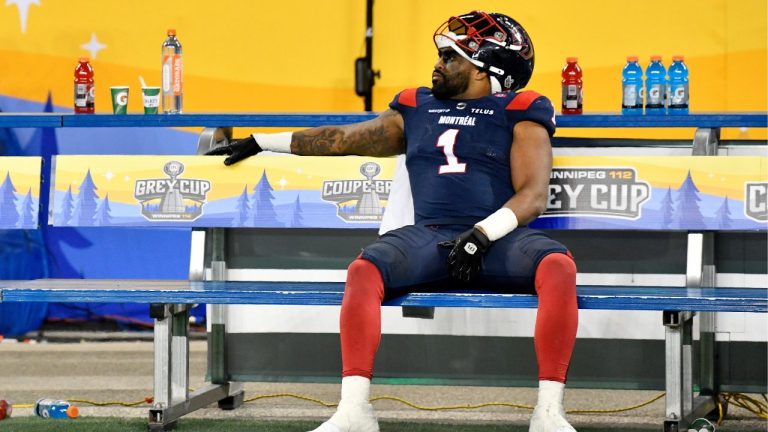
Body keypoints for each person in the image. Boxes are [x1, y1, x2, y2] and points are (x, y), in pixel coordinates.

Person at [206, 10, 578, 432]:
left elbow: (532, 195)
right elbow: (342, 139)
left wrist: (482, 234)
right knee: (363, 271)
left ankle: (548, 413)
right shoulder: (417, 106)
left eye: (450, 57)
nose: (437, 64)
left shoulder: (519, 109)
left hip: (496, 239)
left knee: (558, 268)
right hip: (431, 237)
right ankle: (354, 411)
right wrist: (261, 141)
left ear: (482, 69)